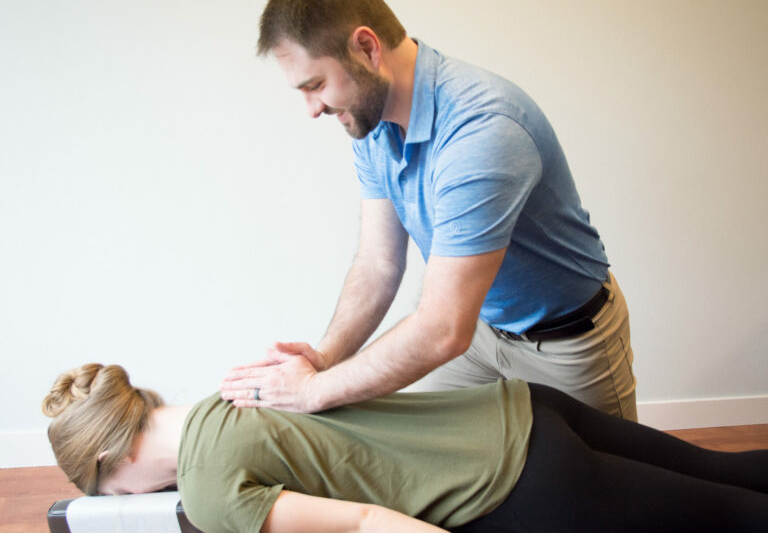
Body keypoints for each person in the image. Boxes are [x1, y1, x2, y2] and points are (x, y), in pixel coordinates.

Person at [220, 0, 637, 420]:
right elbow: (378, 264)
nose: (313, 109)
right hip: (479, 332)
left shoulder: (482, 130)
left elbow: (442, 329)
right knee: (446, 468)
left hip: (564, 342)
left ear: (366, 48)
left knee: (618, 484)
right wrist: (324, 360)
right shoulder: (370, 124)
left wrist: (312, 391)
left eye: (315, 85)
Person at [45, 363, 768, 532]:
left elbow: (365, 523)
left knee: (735, 521)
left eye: (110, 494)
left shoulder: (208, 495)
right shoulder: (234, 389)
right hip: (520, 407)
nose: (134, 502)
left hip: (520, 482)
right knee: (723, 473)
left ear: (115, 461)